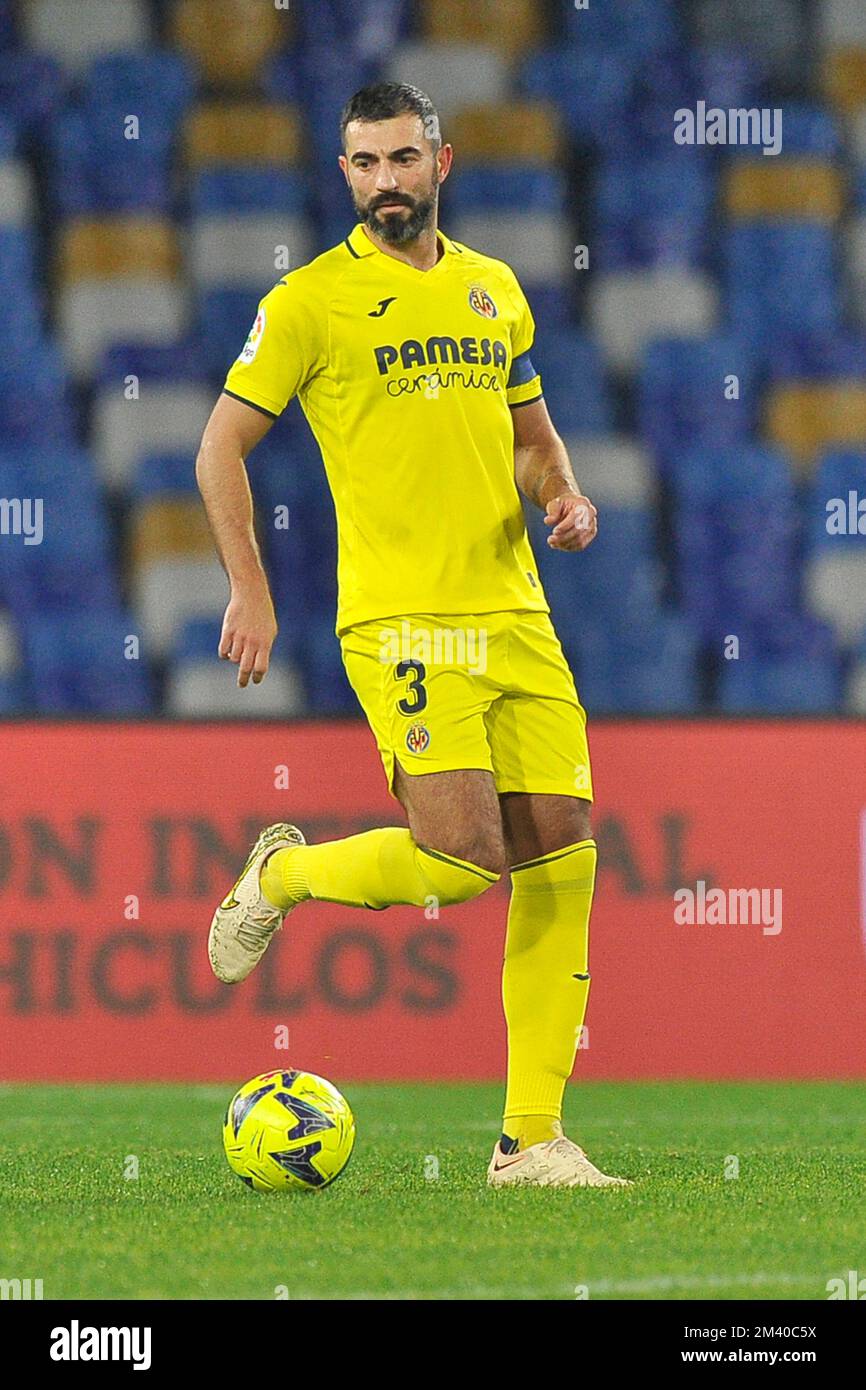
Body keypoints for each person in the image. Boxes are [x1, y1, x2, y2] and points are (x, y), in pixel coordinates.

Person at [196, 82, 631, 1190]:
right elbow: (218, 452)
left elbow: (533, 440)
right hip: (401, 616)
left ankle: (528, 1141)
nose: (382, 182)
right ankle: (284, 876)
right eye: (361, 164)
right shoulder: (308, 303)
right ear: (343, 174)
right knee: (461, 854)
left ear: (442, 162)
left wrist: (563, 498)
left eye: (399, 159)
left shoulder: (494, 292)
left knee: (564, 854)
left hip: (516, 613)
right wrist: (248, 589)